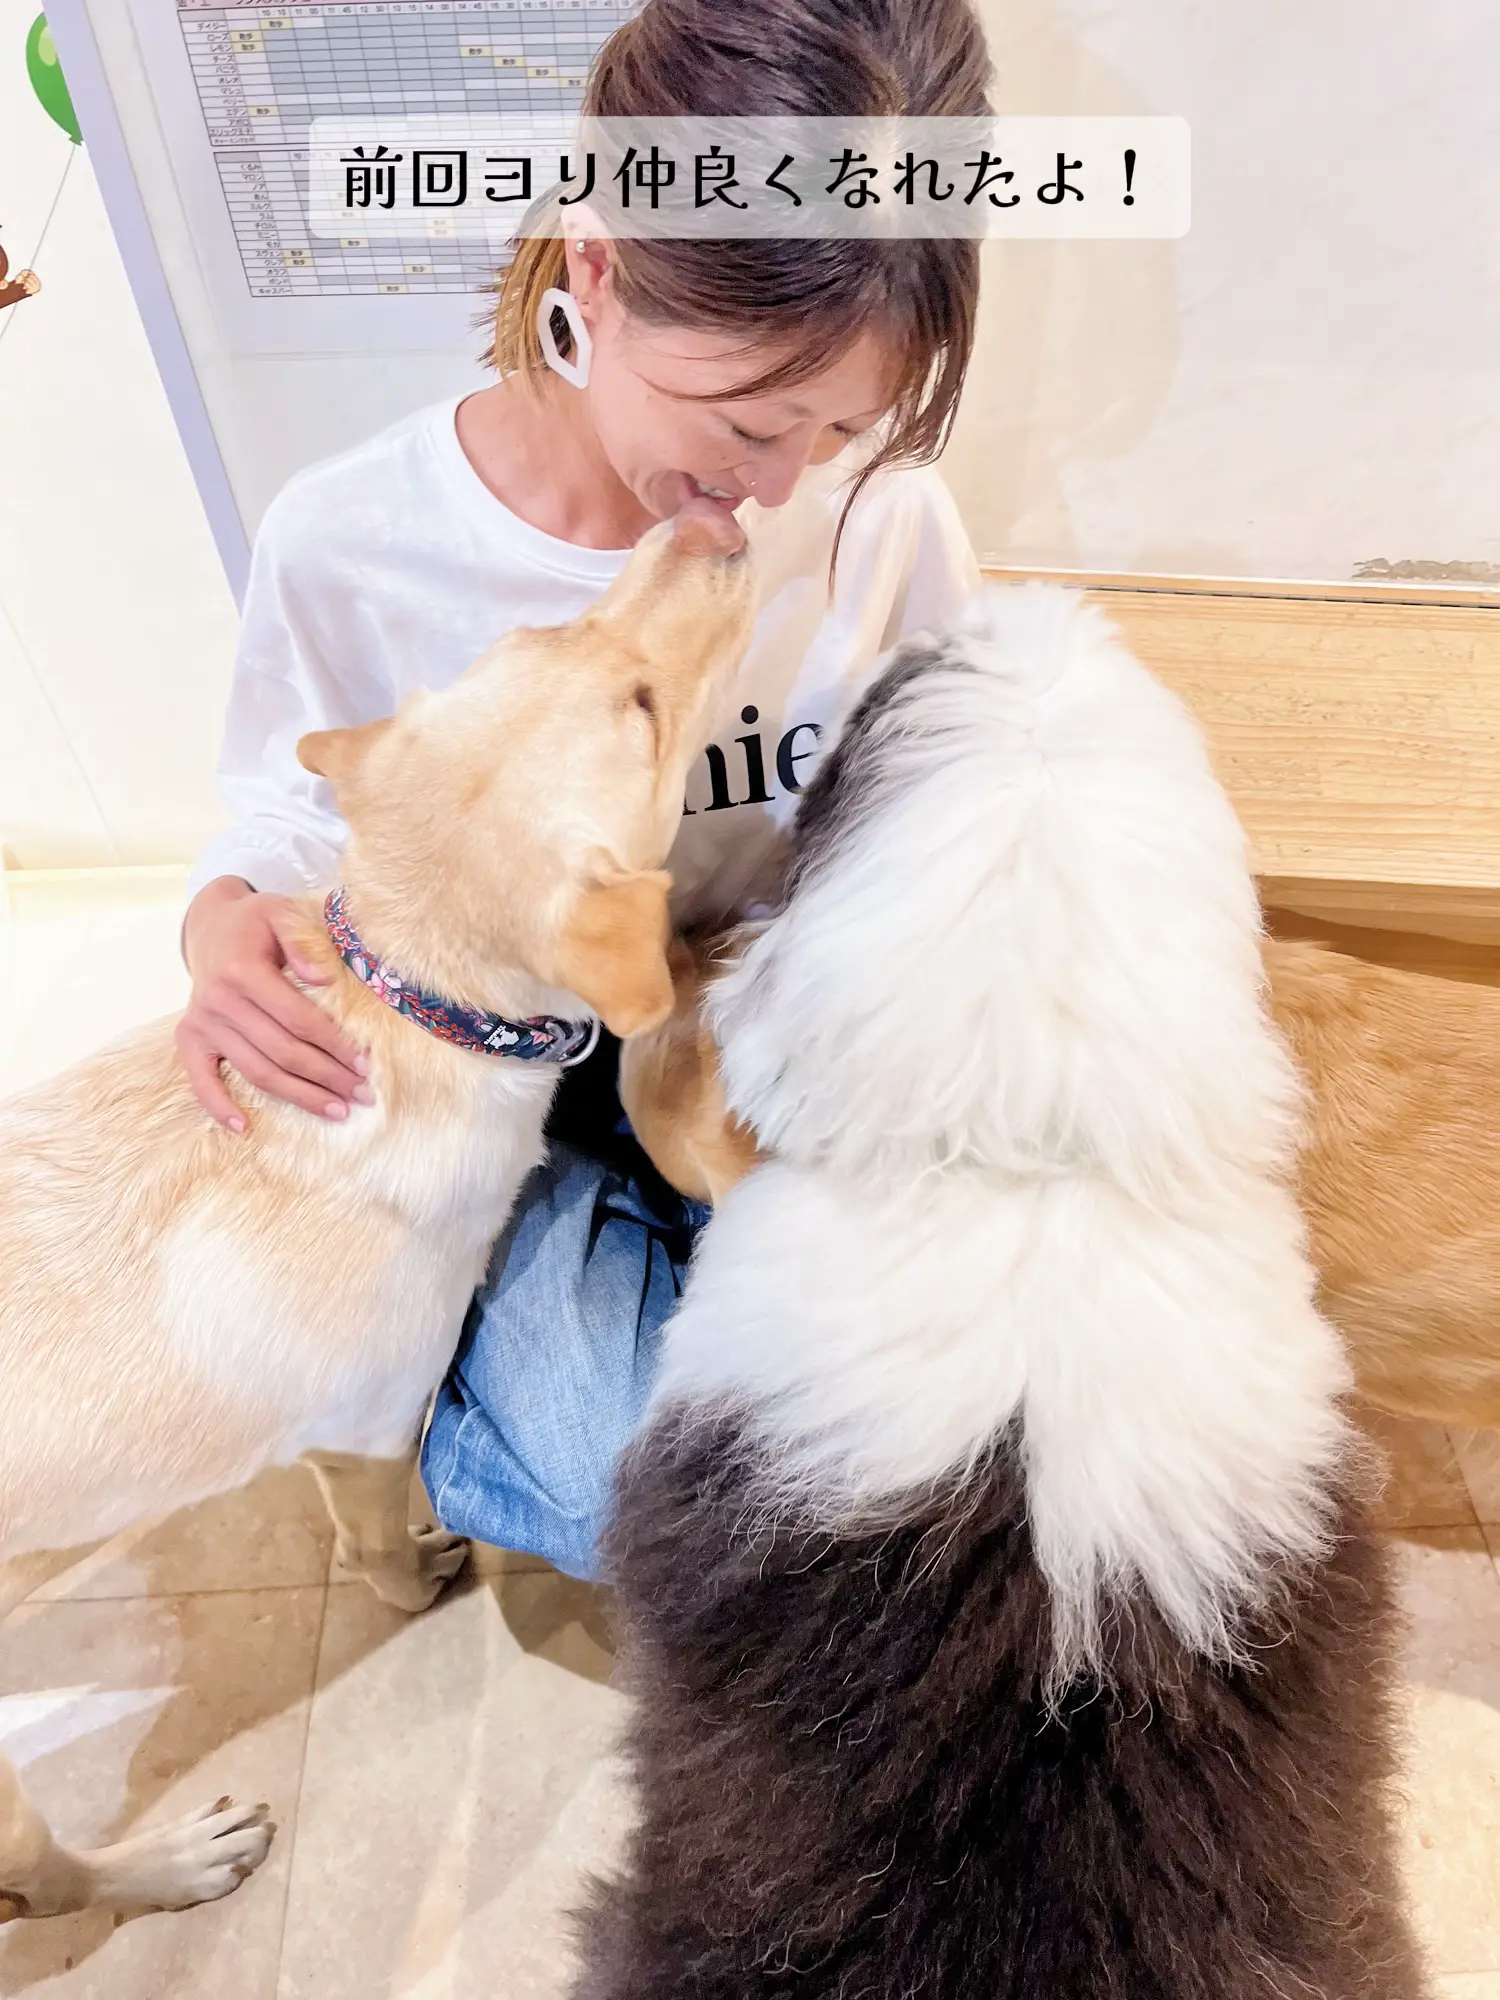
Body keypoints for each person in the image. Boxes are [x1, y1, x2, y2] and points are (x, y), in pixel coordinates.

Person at [180, 0, 991, 1580]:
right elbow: (280, 808)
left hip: (786, 1047)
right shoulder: (353, 541)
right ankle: (451, 1394)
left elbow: (960, 772)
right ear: (600, 270)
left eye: (837, 426)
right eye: (751, 421)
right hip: (515, 1091)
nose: (778, 487)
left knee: (951, 1441)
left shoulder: (881, 513)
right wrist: (222, 925)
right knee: (633, 1500)